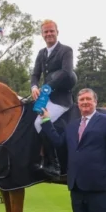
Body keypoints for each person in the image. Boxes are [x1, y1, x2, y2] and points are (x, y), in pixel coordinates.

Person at [30, 19, 76, 177]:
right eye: (46, 32)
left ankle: (54, 163)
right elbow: (35, 74)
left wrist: (48, 85)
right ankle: (39, 157)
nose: (49, 34)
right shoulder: (41, 53)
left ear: (57, 32)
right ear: (42, 34)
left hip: (61, 100)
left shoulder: (66, 50)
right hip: (44, 98)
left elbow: (66, 72)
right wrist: (34, 87)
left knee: (39, 123)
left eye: (51, 31)